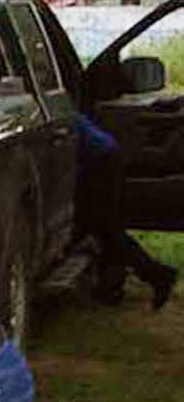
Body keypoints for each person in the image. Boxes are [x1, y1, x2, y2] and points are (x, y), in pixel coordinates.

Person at [76, 113, 178, 309]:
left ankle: (159, 275)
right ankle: (110, 288)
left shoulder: (60, 119)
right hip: (106, 156)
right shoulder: (67, 114)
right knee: (105, 229)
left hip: (102, 161)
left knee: (108, 231)